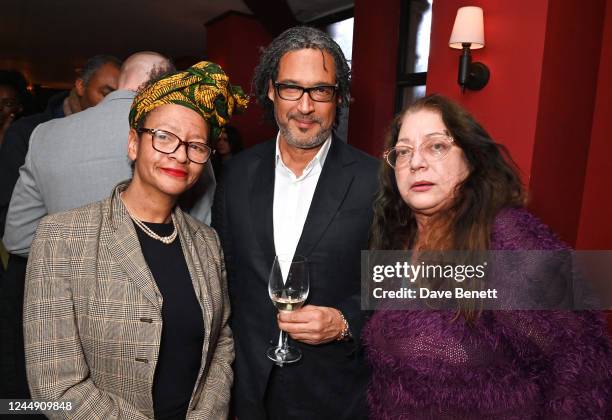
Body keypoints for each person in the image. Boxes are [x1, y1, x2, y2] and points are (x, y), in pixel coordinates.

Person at [363, 94, 612, 419]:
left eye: (436, 146)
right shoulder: (399, 238)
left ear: (471, 158)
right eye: (404, 151)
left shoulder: (506, 236)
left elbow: (583, 368)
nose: (416, 162)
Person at [23, 61, 248, 418]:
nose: (180, 153)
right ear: (133, 143)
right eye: (164, 137)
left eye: (196, 145)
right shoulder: (62, 236)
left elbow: (221, 342)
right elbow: (54, 386)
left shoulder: (207, 243)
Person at [213, 26, 377, 419]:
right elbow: (223, 273)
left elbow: (400, 274)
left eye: (320, 90)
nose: (305, 106)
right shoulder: (234, 174)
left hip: (333, 395)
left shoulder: (377, 180)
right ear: (271, 90)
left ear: (337, 97)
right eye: (292, 88)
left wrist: (344, 322)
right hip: (247, 391)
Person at [3, 51, 218, 258]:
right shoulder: (188, 143)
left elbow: (18, 237)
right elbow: (198, 234)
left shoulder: (44, 135)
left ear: (122, 79)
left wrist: (74, 261)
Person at [0, 54, 121, 400]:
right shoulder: (31, 132)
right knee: (27, 390)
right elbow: (12, 218)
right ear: (81, 86)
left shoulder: (122, 137)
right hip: (30, 278)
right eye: (105, 92)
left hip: (99, 295)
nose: (113, 103)